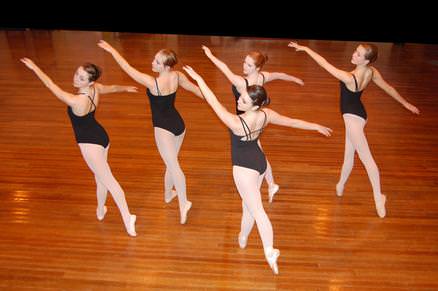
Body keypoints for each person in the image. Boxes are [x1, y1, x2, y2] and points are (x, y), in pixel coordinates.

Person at [182, 64, 332, 275]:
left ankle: (270, 250)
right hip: (260, 164)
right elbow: (291, 121)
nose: (238, 100)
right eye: (240, 96)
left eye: (243, 100)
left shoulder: (236, 123)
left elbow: (211, 100)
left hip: (244, 170)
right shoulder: (265, 114)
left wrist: (199, 78)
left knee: (258, 211)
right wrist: (314, 125)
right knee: (248, 207)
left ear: (254, 105)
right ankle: (243, 237)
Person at [288, 41, 420, 218]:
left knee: (368, 161)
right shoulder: (371, 72)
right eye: (355, 51)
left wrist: (305, 49)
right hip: (359, 115)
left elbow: (324, 63)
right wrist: (405, 103)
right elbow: (389, 88)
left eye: (358, 54)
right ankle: (340, 186)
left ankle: (378, 198)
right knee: (349, 155)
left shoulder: (349, 77)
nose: (354, 55)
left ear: (365, 61)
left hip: (353, 121)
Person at [21, 58, 138, 236]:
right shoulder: (95, 89)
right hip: (102, 137)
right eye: (77, 74)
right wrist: (125, 88)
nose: (76, 79)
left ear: (90, 81)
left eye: (82, 78)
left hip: (90, 145)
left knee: (109, 181)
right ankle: (100, 210)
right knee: (100, 178)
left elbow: (50, 85)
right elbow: (112, 88)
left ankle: (128, 217)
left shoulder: (75, 100)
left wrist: (35, 67)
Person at [98, 40, 204, 224]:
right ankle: (168, 194)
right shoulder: (177, 76)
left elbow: (127, 67)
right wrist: (214, 101)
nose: (152, 63)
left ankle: (183, 203)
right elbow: (196, 90)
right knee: (171, 162)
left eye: (156, 61)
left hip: (163, 128)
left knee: (173, 165)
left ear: (165, 66)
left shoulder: (152, 82)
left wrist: (112, 51)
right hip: (179, 125)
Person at [202, 46, 304, 203]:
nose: (244, 66)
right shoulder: (263, 77)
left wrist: (210, 55)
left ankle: (269, 184)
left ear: (257, 67)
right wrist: (294, 79)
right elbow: (279, 75)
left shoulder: (242, 82)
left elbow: (224, 69)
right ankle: (271, 184)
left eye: (249, 65)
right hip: (255, 117)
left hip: (244, 123)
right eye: (244, 62)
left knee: (258, 151)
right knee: (259, 150)